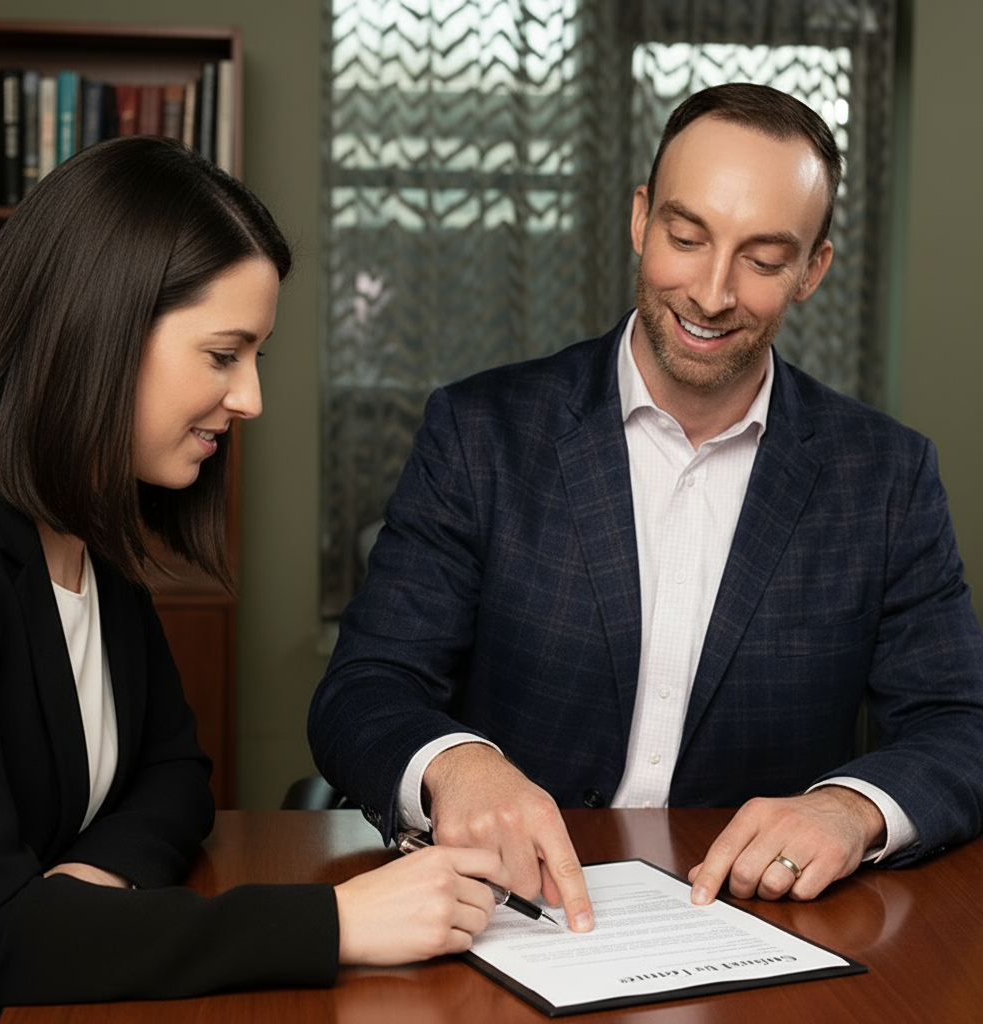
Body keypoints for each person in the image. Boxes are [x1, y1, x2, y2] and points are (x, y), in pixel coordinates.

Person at [308, 83, 983, 933]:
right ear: (641, 220)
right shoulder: (480, 431)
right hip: (511, 918)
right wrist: (460, 766)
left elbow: (962, 725)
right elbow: (364, 688)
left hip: (753, 934)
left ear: (813, 270)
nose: (710, 292)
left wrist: (851, 810)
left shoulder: (888, 476)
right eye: (686, 236)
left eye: (764, 259)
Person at [0, 136, 501, 1021]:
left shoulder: (94, 535)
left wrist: (94, 882)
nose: (250, 399)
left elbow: (176, 773)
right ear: (98, 329)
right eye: (223, 355)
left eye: (258, 358)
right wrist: (331, 922)